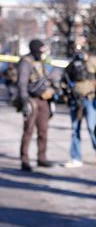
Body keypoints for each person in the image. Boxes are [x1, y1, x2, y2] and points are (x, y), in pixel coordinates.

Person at [62, 43, 96, 167]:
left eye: (80, 50)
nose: (78, 54)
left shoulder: (94, 62)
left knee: (92, 127)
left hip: (90, 99)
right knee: (74, 129)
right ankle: (76, 157)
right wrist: (66, 95)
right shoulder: (72, 65)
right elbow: (64, 81)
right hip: (76, 100)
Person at [16, 39, 56, 171]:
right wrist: (24, 101)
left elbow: (46, 78)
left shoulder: (40, 62)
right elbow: (22, 82)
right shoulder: (26, 62)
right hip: (31, 101)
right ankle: (25, 160)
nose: (42, 52)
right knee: (28, 131)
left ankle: (42, 158)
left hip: (43, 100)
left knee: (43, 131)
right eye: (41, 49)